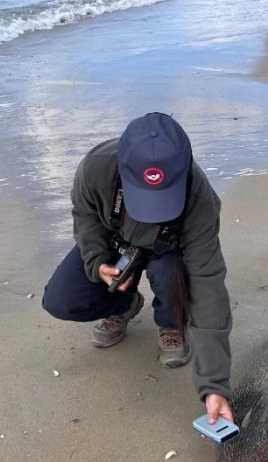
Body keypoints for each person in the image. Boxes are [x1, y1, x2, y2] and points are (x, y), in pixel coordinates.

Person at [41, 113, 234, 425]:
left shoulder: (200, 200)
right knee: (60, 299)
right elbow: (85, 215)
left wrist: (214, 385)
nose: (152, 210)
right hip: (116, 243)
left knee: (168, 271)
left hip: (168, 250)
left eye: (163, 198)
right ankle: (125, 303)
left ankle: (172, 321)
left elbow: (208, 282)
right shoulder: (95, 167)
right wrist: (96, 261)